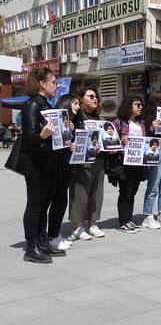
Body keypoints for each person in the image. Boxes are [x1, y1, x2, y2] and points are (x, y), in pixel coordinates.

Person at [18, 68, 65, 263]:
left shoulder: (46, 104)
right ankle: (31, 247)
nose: (57, 85)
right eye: (53, 82)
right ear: (42, 84)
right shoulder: (31, 105)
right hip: (34, 162)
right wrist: (43, 135)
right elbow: (30, 137)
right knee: (35, 205)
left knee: (45, 203)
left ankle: (42, 241)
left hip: (47, 161)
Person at [68, 86, 107, 242]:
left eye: (95, 96)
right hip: (81, 161)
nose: (95, 98)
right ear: (81, 99)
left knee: (97, 193)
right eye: (90, 96)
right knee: (80, 193)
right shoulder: (76, 118)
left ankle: (92, 224)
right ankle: (77, 227)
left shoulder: (98, 119)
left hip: (98, 160)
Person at [48, 94, 80, 250]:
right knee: (57, 202)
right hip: (56, 167)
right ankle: (51, 236)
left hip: (66, 167)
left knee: (61, 202)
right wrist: (67, 147)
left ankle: (54, 234)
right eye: (75, 103)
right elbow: (53, 144)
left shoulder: (71, 123)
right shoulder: (57, 119)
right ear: (66, 103)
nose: (78, 106)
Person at [113, 95, 146, 233]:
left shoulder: (141, 123)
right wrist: (121, 142)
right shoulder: (118, 122)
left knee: (132, 193)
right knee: (125, 192)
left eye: (140, 105)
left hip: (138, 163)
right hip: (124, 163)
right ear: (129, 106)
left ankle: (129, 220)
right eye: (137, 104)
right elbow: (110, 142)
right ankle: (123, 221)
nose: (140, 107)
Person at [141, 91, 161, 229]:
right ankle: (148, 215)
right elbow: (145, 135)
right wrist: (151, 128)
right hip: (156, 151)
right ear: (159, 101)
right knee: (154, 184)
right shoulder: (149, 116)